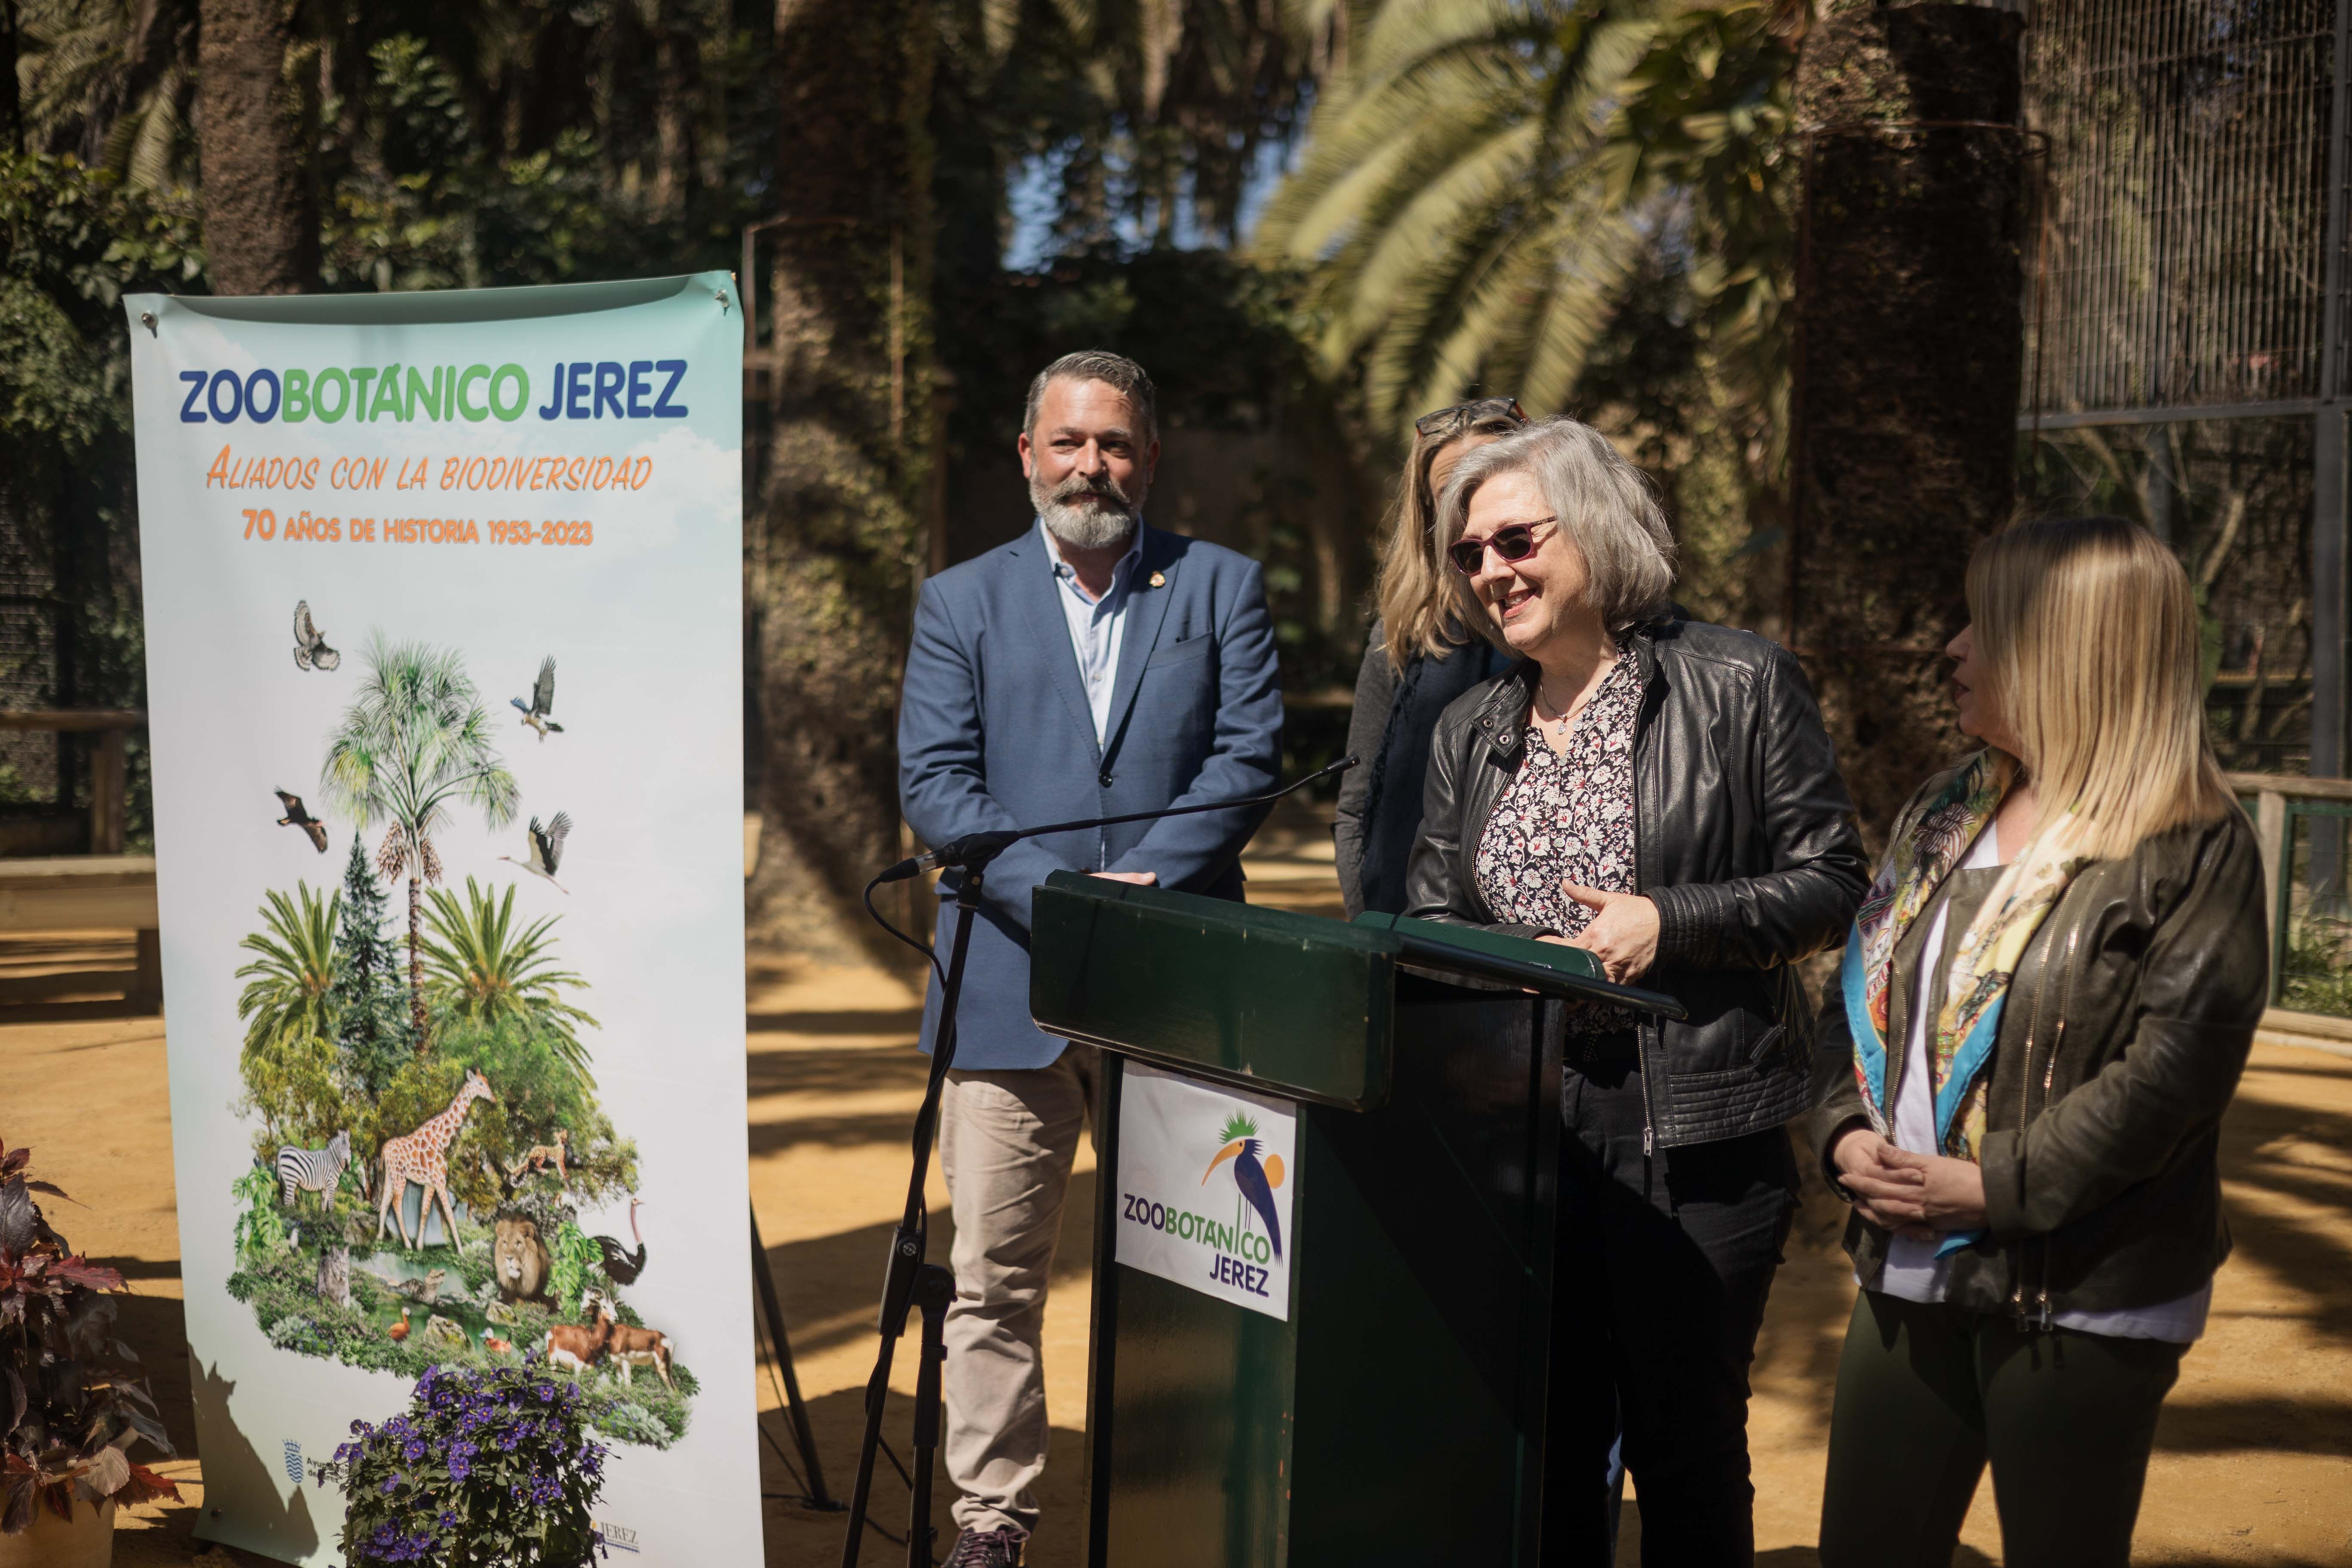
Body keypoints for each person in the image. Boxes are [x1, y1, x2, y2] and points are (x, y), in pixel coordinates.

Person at [1404, 416, 1868, 1565]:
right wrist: (1485, 973)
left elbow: (1831, 883)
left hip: (1694, 1126)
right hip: (1523, 1130)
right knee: (1547, 1439)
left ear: (1595, 529)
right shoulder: (1471, 727)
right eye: (1468, 554)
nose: (1490, 570)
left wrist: (1672, 921)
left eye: (1516, 540)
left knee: (1683, 1445)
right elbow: (1428, 919)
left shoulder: (1738, 682)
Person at [1807, 515, 2266, 1568]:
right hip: (1902, 1263)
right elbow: (1857, 1001)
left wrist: (1992, 1187)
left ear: (2068, 649)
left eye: (1986, 623)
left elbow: (2174, 1076)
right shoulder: (1943, 810)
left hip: (2079, 1290)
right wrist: (1840, 1133)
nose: (1953, 646)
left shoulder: (2193, 843)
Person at [896, 349, 1284, 1568]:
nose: (1090, 466)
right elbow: (937, 788)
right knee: (993, 1280)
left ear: (1149, 458)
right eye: (1067, 442)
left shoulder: (1220, 587)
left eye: (1114, 443)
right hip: (1006, 990)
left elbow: (1246, 761)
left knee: (1195, 1276)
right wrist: (1068, 901)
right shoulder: (958, 601)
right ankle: (993, 1520)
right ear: (1027, 454)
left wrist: (1147, 887)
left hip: (1177, 995)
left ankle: (1185, 1507)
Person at [1334, 396, 1525, 917]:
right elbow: (1356, 805)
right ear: (1428, 516)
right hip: (1410, 928)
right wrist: (1371, 924)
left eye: (1487, 479)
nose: (1473, 504)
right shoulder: (1403, 633)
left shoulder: (1571, 628)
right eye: (1451, 492)